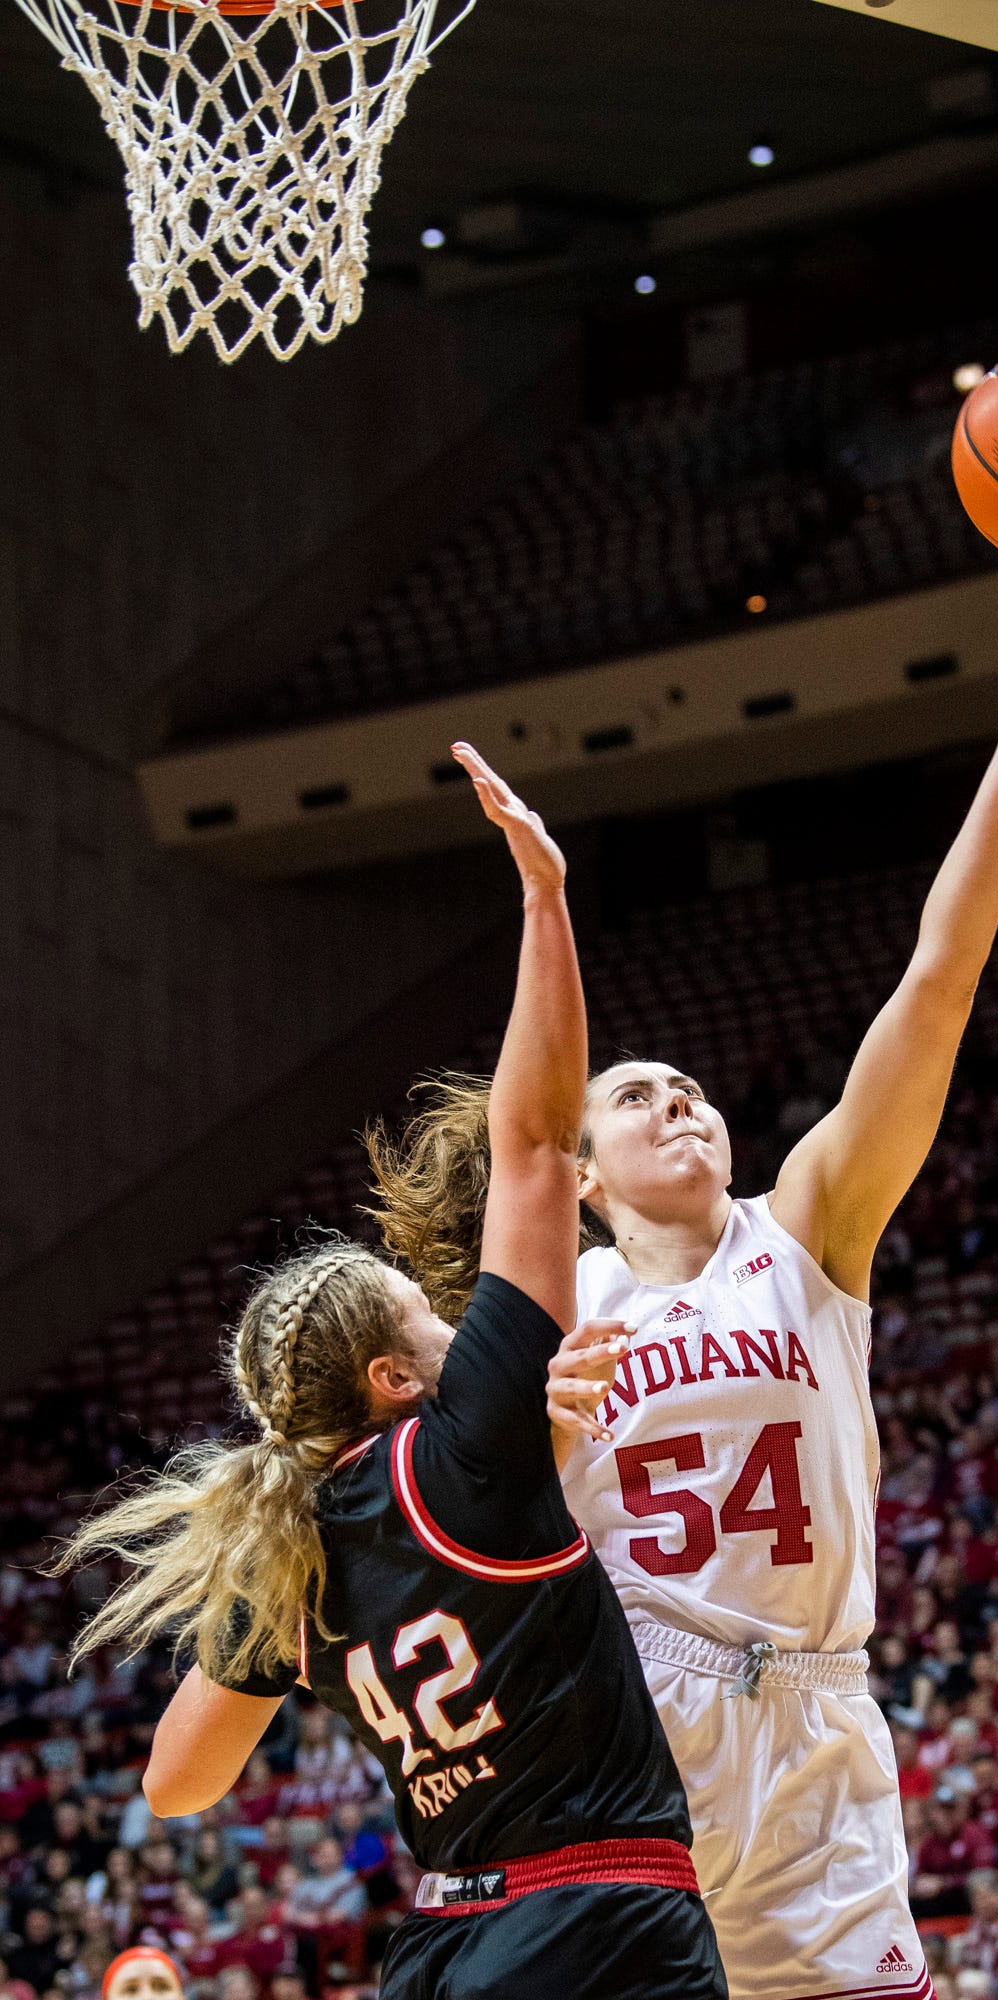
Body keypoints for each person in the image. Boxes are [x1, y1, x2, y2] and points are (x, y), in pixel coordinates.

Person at [370, 567, 998, 1997]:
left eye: (692, 1087)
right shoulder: (549, 1305)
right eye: (639, 1096)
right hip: (629, 1716)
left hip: (822, 1714)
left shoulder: (813, 1227)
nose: (680, 1102)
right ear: (583, 1172)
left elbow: (939, 980)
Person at [54, 746, 726, 2000]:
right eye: (428, 1315)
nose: (451, 1323)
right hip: (596, 1918)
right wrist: (544, 897)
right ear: (390, 1373)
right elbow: (531, 1146)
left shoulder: (294, 1550)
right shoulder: (464, 1448)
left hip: (439, 1945)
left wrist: (262, 1629)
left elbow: (176, 1783)